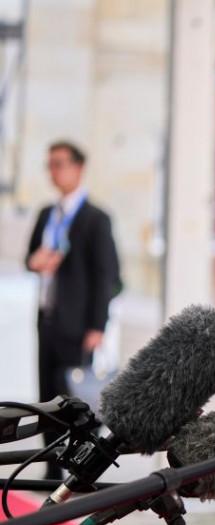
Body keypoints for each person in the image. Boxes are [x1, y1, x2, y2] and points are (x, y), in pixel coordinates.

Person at [25, 140, 121, 480]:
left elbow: (107, 277)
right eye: (50, 164)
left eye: (60, 163)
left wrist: (97, 326)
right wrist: (35, 262)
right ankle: (52, 469)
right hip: (47, 319)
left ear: (78, 167)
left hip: (78, 326)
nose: (54, 171)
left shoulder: (95, 219)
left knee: (76, 402)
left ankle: (79, 469)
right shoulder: (47, 214)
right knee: (47, 399)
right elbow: (30, 258)